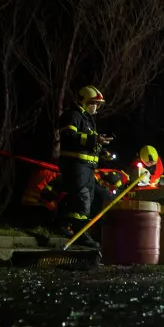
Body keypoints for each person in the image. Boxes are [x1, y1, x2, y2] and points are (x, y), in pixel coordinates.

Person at [57, 85, 113, 248]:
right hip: (75, 165)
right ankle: (80, 233)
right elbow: (69, 136)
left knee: (86, 197)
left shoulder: (88, 120)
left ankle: (63, 223)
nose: (95, 107)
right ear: (84, 101)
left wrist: (102, 152)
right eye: (93, 103)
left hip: (87, 167)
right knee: (82, 199)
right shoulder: (72, 116)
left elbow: (90, 143)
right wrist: (94, 140)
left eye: (97, 104)